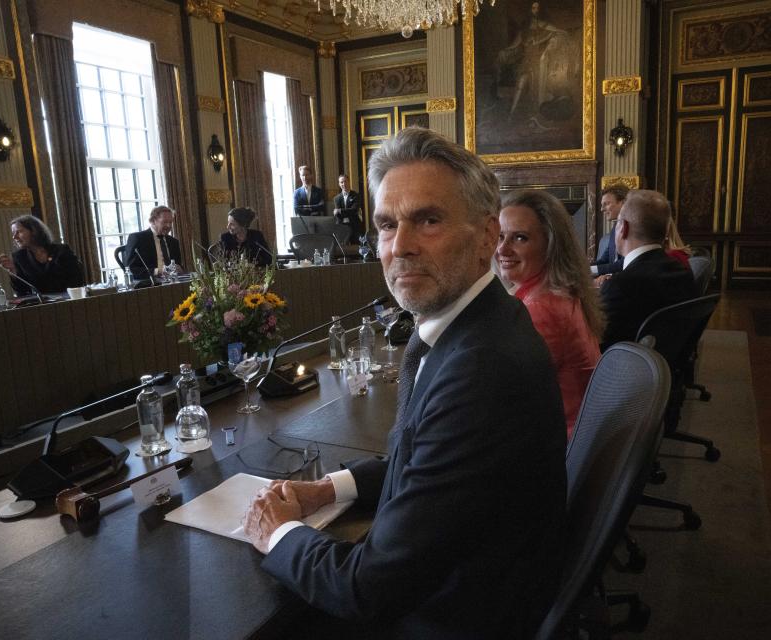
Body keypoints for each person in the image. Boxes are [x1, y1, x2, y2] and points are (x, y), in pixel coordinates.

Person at [243, 127, 566, 638]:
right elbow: (422, 462)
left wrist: (277, 531)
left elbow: (366, 590)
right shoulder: (478, 325)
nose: (401, 247)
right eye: (387, 225)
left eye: (428, 220)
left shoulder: (483, 367)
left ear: (486, 236)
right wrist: (328, 488)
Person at [495, 189, 604, 436]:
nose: (502, 249)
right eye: (500, 236)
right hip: (573, 431)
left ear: (551, 245)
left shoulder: (540, 309)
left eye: (520, 238)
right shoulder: (559, 291)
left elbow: (505, 398)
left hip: (554, 444)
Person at [597, 190, 697, 348]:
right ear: (665, 231)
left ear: (623, 228)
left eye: (617, 224)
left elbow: (598, 345)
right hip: (666, 366)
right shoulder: (683, 272)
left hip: (624, 369)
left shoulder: (620, 286)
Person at [0, 215, 85, 296]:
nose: (14, 237)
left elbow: (77, 282)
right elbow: (21, 292)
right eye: (13, 233)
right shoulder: (19, 257)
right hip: (41, 306)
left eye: (19, 232)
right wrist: (13, 270)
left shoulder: (61, 251)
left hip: (68, 300)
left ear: (34, 231)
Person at [123, 205, 183, 280]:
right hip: (150, 284)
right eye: (165, 222)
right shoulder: (138, 238)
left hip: (173, 282)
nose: (169, 226)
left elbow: (178, 265)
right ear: (153, 221)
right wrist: (157, 271)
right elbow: (131, 269)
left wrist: (180, 268)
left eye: (170, 222)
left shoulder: (174, 242)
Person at [591, 184, 628, 276]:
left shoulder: (634, 229)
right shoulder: (615, 228)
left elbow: (625, 263)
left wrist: (588, 271)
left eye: (606, 204)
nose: (602, 209)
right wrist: (580, 269)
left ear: (623, 203)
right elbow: (605, 260)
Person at [332, 173, 362, 243]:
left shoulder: (355, 196)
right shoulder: (336, 198)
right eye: (341, 182)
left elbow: (354, 210)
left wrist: (339, 211)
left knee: (356, 246)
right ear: (339, 184)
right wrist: (345, 212)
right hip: (342, 226)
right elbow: (338, 215)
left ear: (349, 182)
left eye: (345, 181)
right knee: (343, 247)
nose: (344, 184)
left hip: (354, 225)